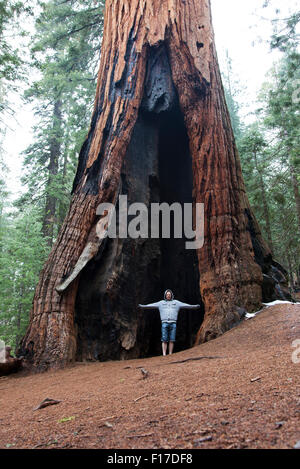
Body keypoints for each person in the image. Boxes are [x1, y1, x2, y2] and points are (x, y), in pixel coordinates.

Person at [139, 289, 200, 356]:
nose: (168, 296)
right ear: (165, 295)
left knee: (172, 339)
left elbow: (186, 305)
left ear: (171, 295)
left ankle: (170, 354)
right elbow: (151, 305)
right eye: (167, 294)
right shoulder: (161, 303)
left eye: (169, 294)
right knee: (164, 339)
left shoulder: (176, 303)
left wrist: (194, 306)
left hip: (173, 323)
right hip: (164, 323)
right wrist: (143, 306)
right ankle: (164, 354)